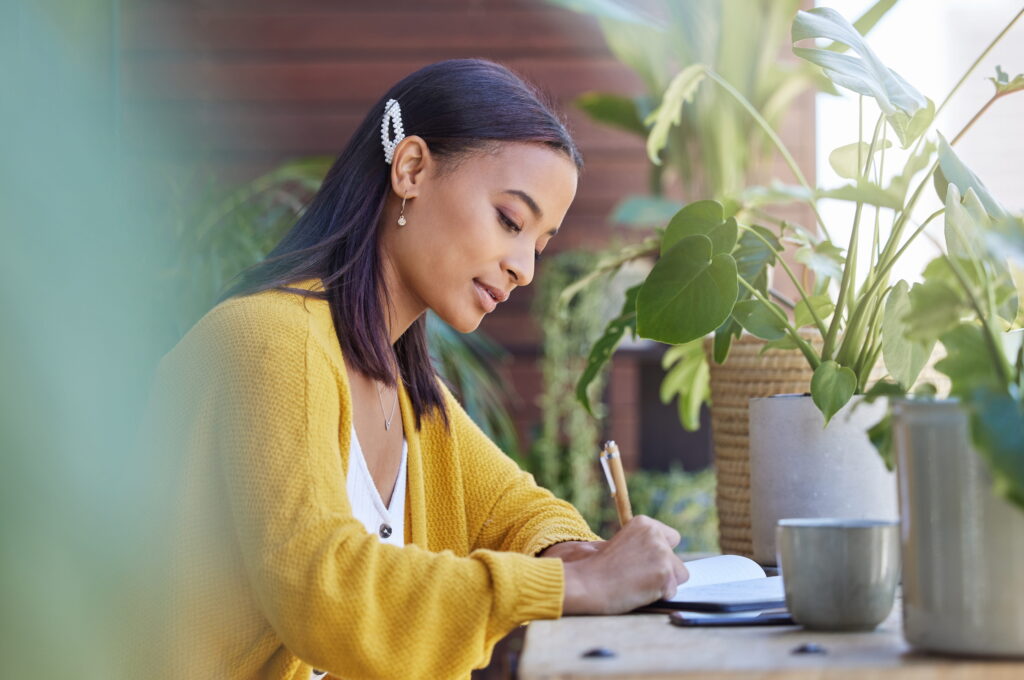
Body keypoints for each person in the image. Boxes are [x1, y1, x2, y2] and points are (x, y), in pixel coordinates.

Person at [144, 58, 688, 680]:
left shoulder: (408, 391)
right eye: (510, 220)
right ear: (411, 169)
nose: (524, 268)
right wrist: (571, 584)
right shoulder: (271, 341)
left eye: (538, 244)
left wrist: (575, 554)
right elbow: (325, 590)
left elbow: (516, 510)